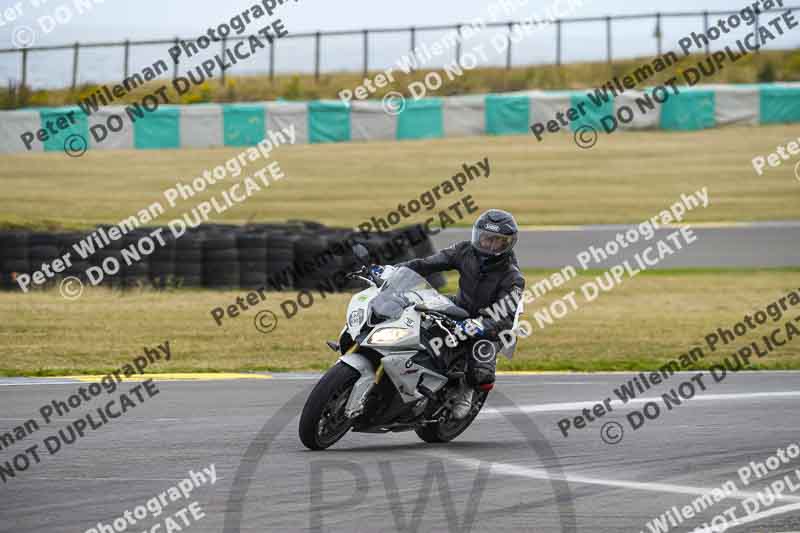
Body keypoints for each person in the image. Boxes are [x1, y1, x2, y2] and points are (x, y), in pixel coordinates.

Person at [397, 209, 525, 419]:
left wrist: (480, 326)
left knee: (480, 370)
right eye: (486, 239)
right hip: (461, 307)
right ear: (478, 236)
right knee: (415, 309)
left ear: (508, 244)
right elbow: (427, 264)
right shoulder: (464, 251)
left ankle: (467, 389)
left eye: (498, 242)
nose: (490, 245)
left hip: (490, 323)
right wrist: (395, 271)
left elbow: (504, 318)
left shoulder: (513, 277)